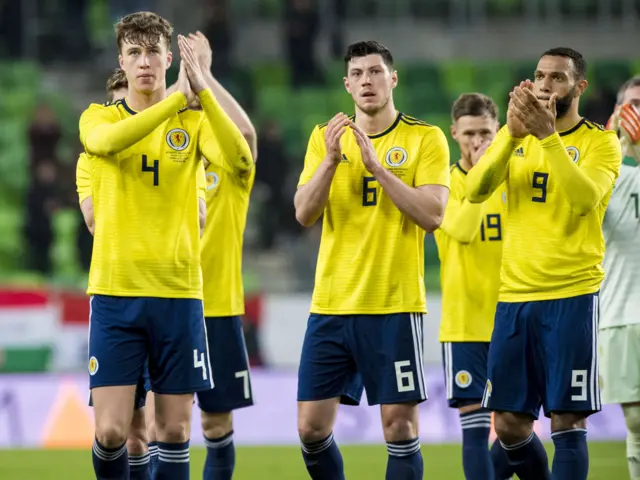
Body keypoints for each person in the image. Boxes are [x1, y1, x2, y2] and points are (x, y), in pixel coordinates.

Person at [79, 11, 252, 480]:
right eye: (134, 52)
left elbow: (241, 157)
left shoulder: (192, 123)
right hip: (117, 296)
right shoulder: (99, 117)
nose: (144, 62)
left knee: (174, 433)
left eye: (153, 51)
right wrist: (177, 98)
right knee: (112, 433)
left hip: (178, 296)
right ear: (121, 60)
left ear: (169, 57)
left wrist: (203, 90)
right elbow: (107, 141)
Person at [294, 40, 450, 480]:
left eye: (376, 71)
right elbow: (304, 213)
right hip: (331, 305)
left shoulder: (424, 138)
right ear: (346, 85)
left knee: (398, 427)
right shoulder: (323, 138)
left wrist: (379, 168)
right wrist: (329, 160)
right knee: (310, 429)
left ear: (393, 79)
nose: (367, 80)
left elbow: (433, 215)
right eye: (358, 74)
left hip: (393, 305)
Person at [466, 47, 622, 480]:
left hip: (571, 297)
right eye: (539, 76)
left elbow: (584, 201)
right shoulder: (514, 138)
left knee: (566, 422)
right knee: (510, 426)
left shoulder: (600, 142)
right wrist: (513, 138)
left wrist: (548, 137)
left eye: (557, 78)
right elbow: (475, 189)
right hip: (514, 297)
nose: (546, 85)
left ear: (579, 87)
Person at [145, 31, 258, 480]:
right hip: (165, 304)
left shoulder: (228, 174)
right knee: (161, 425)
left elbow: (245, 136)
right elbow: (144, 127)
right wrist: (180, 82)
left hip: (217, 306)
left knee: (215, 422)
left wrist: (204, 75)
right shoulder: (162, 163)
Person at [434, 93, 513, 480]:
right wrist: (483, 175)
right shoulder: (442, 184)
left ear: (498, 131)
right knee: (475, 427)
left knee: (517, 429)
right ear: (454, 134)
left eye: (485, 132)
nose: (477, 141)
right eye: (468, 133)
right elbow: (463, 230)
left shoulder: (514, 179)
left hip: (515, 319)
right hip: (465, 322)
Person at [599, 75, 640, 480]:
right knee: (637, 427)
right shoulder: (601, 170)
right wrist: (624, 155)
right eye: (632, 105)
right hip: (621, 315)